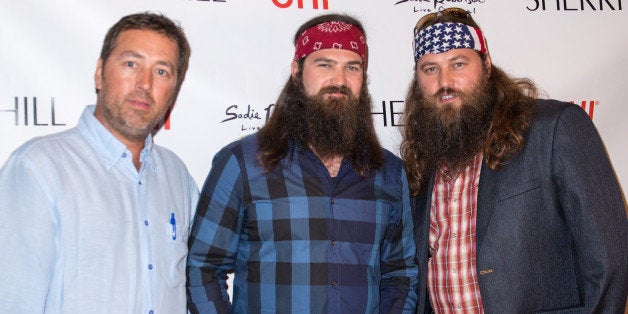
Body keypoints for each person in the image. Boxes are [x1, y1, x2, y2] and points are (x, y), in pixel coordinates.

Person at [401, 7, 628, 313]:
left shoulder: (553, 128)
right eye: (430, 69)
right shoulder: (421, 161)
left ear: (487, 65)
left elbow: (610, 258)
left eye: (458, 63)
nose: (445, 81)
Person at [186, 13, 418, 313]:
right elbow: (202, 268)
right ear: (297, 72)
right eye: (324, 64)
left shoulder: (389, 173)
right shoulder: (242, 164)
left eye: (352, 67)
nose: (340, 80)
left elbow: (401, 275)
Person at [0, 13, 198, 313]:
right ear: (99, 73)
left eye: (161, 71)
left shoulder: (176, 176)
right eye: (131, 64)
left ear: (174, 91)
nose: (144, 84)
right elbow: (13, 300)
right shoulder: (38, 168)